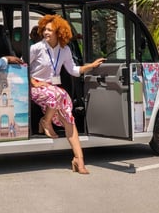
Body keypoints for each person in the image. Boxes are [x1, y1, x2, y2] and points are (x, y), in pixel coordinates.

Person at [29, 14, 105, 175]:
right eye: (45, 29)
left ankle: (79, 159)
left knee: (68, 118)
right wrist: (33, 82)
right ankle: (46, 121)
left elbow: (73, 71)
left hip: (52, 91)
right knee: (58, 94)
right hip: (35, 87)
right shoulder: (36, 48)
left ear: (59, 32)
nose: (46, 33)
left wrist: (90, 66)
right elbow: (23, 66)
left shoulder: (65, 50)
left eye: (50, 30)